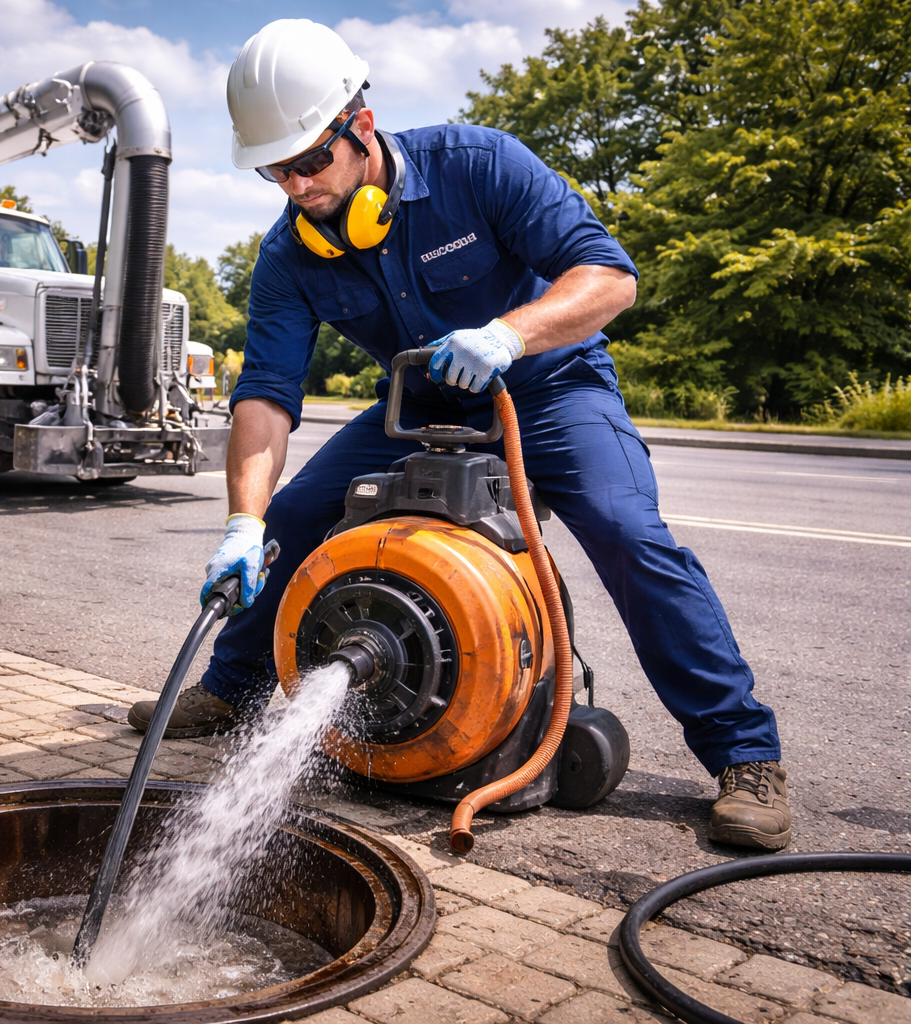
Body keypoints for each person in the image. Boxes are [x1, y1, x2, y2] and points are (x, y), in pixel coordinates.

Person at [128, 19, 791, 850]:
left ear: (359, 127)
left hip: (552, 388)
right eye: (275, 169)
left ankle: (744, 756)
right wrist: (242, 523)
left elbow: (609, 278)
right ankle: (231, 685)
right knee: (293, 518)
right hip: (423, 403)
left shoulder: (479, 167)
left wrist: (511, 335)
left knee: (630, 536)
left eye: (308, 162)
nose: (295, 186)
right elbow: (265, 395)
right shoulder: (288, 257)